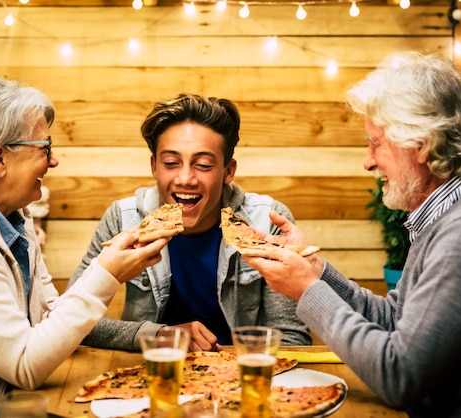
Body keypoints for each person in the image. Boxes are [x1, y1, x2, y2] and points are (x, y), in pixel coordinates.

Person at [240, 51, 461, 417]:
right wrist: (315, 268)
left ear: (421, 143)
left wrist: (305, 289)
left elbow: (400, 375)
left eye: (376, 142)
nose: (368, 161)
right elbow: (393, 321)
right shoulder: (451, 215)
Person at [0, 76, 167, 417]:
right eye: (45, 148)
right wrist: (107, 274)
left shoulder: (12, 217)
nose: (53, 162)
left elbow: (49, 311)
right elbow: (25, 365)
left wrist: (146, 331)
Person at [68, 93, 312, 352]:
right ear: (154, 167)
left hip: (242, 374)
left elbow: (292, 340)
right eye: (171, 163)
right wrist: (156, 336)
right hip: (153, 373)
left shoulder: (268, 221)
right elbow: (71, 318)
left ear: (229, 171)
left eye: (204, 165)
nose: (185, 178)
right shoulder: (124, 218)